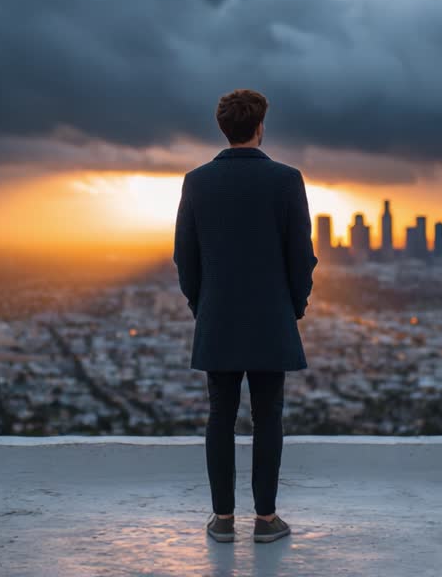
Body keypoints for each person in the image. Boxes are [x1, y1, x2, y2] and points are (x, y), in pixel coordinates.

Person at [172, 88, 318, 544]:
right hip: (271, 317)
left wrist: (203, 306)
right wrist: (293, 307)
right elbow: (302, 257)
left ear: (223, 127)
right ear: (259, 127)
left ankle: (222, 520)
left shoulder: (196, 181)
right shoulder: (287, 179)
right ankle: (267, 519)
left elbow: (185, 257)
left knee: (221, 415)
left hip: (218, 317)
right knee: (268, 417)